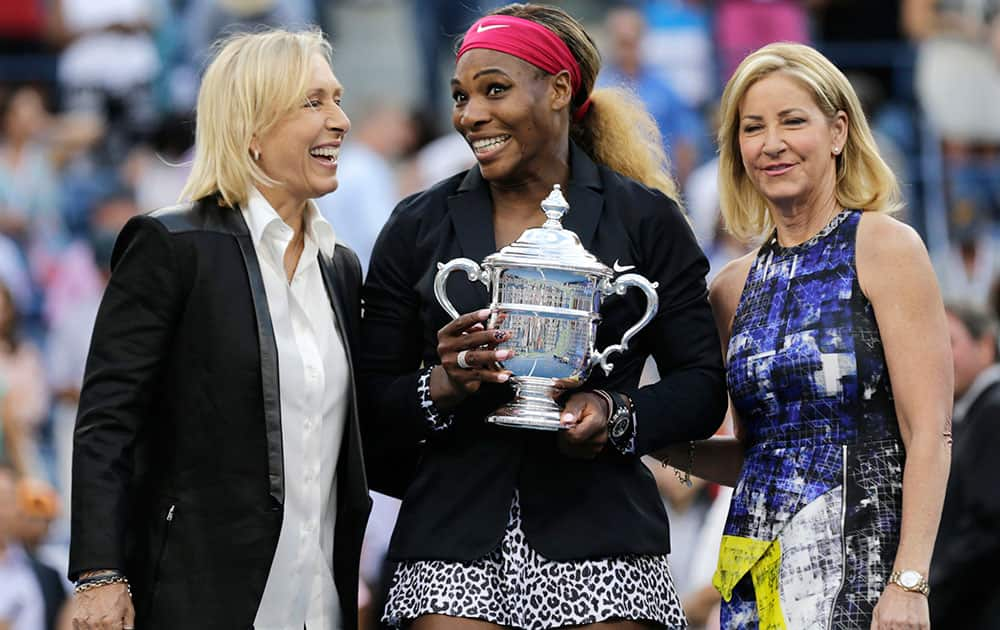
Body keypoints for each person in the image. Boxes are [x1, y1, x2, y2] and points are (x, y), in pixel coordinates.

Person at [360, 4, 727, 629]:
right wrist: (443, 385)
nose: (470, 115)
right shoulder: (416, 226)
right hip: (451, 544)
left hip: (605, 536)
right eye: (460, 96)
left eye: (493, 90)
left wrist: (615, 415)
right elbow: (371, 402)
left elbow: (700, 384)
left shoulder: (645, 219)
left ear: (559, 89)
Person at [68, 28, 371, 629]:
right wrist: (100, 573)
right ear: (252, 128)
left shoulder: (341, 267)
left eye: (336, 98)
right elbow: (108, 423)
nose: (340, 119)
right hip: (198, 598)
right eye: (313, 102)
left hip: (320, 604)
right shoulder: (171, 246)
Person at [655, 43, 952, 628]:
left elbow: (931, 433)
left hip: (862, 566)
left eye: (793, 121)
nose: (772, 144)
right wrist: (644, 435)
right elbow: (755, 455)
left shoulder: (886, 248)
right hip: (754, 568)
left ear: (838, 131)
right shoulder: (730, 288)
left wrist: (909, 582)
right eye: (753, 128)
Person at [929, 302, 1000, 628]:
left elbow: (987, 528)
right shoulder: (972, 412)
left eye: (950, 342)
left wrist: (929, 593)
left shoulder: (994, 411)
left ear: (985, 345)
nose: (938, 357)